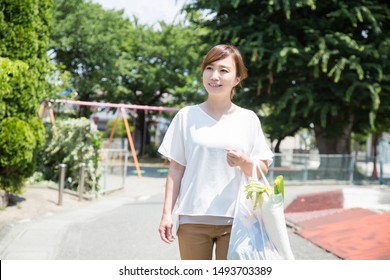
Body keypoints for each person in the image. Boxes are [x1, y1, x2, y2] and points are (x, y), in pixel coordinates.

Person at [158, 44, 274, 260]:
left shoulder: (248, 119)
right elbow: (175, 169)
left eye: (223, 70)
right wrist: (167, 214)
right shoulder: (185, 116)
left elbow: (262, 167)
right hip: (193, 219)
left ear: (237, 79)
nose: (214, 76)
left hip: (238, 220)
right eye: (209, 68)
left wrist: (243, 161)